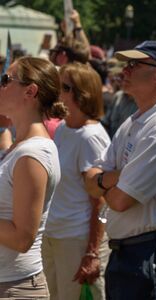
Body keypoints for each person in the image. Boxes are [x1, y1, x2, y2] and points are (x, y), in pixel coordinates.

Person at [84, 41, 156, 300]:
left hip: (147, 252)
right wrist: (115, 177)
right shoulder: (135, 121)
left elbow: (119, 200)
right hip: (130, 252)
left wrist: (104, 182)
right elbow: (88, 179)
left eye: (134, 64)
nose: (124, 70)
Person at [42, 63, 111, 300]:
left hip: (76, 239)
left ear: (82, 94)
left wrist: (92, 252)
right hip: (53, 234)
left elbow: (100, 200)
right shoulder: (62, 129)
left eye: (64, 87)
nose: (57, 91)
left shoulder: (90, 137)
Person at [0, 57, 66, 298]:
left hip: (14, 289)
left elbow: (21, 238)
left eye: (6, 80)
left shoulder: (33, 153)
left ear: (30, 91)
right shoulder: (20, 148)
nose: (1, 85)